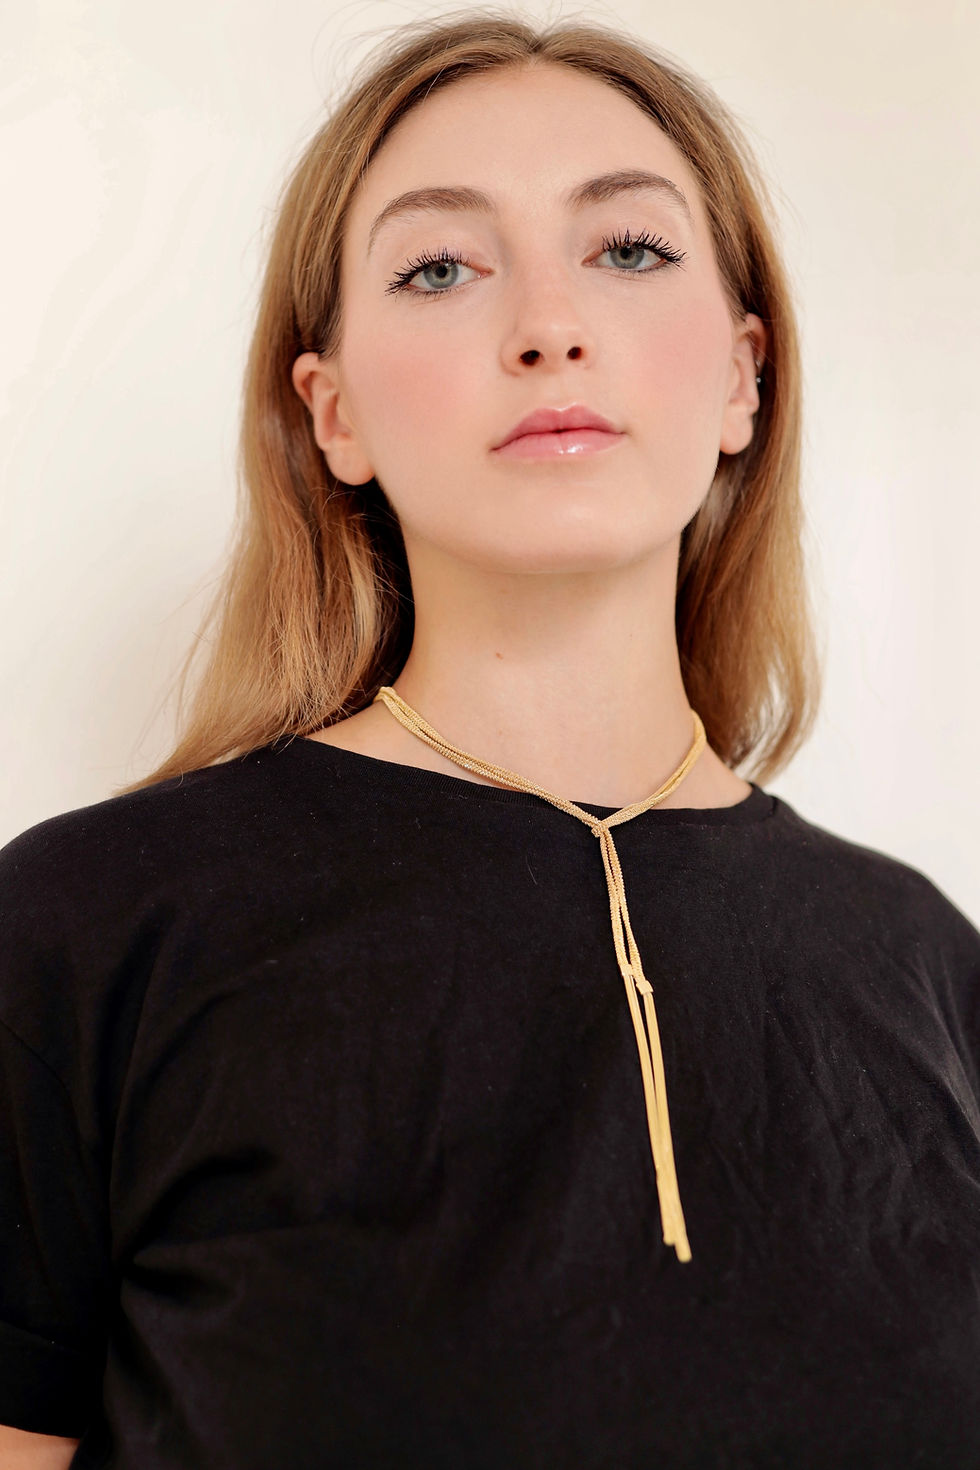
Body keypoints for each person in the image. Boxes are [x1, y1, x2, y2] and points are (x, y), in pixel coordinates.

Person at [2, 10, 978, 1468]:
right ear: (333, 412)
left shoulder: (934, 968)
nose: (549, 325)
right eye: (442, 267)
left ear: (743, 376)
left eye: (629, 249)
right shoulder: (85, 932)